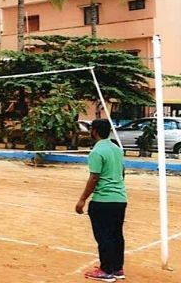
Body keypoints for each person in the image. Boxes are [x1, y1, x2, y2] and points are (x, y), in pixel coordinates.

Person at [75, 119, 127, 282]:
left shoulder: (97, 152)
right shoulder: (116, 149)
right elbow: (122, 172)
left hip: (103, 200)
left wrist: (82, 200)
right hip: (120, 199)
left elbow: (94, 178)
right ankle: (117, 268)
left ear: (95, 131)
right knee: (116, 234)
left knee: (104, 236)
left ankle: (106, 270)